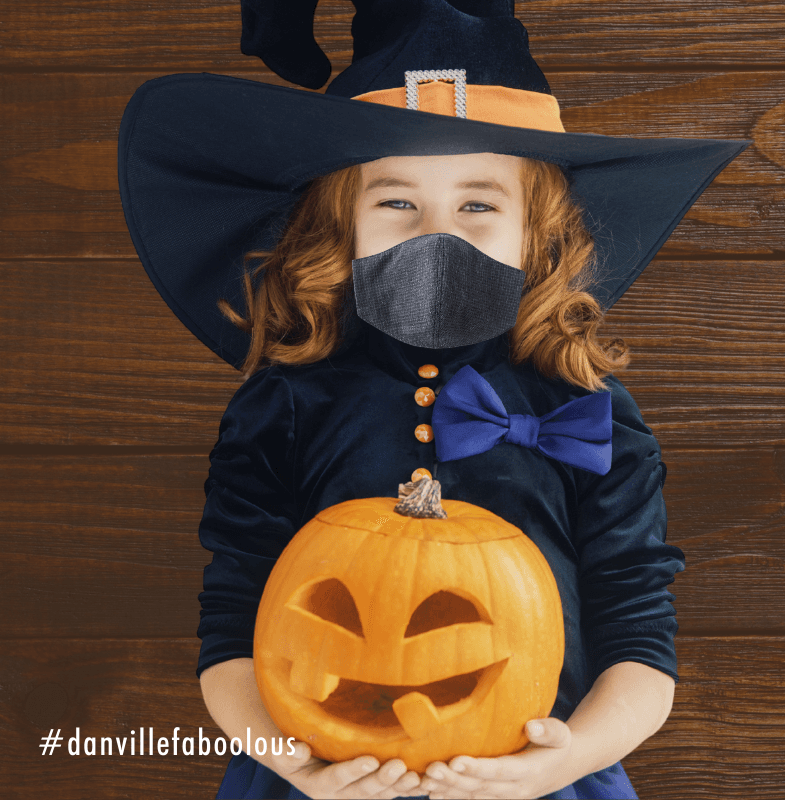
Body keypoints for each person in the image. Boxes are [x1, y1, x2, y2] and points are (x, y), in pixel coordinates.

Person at [116, 2, 746, 797]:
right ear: (339, 226)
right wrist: (289, 759)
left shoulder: (587, 409)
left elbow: (641, 638)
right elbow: (232, 629)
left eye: (478, 205)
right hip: (314, 777)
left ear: (538, 234)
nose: (434, 234)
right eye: (396, 203)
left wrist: (574, 755)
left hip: (544, 781)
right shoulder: (285, 403)